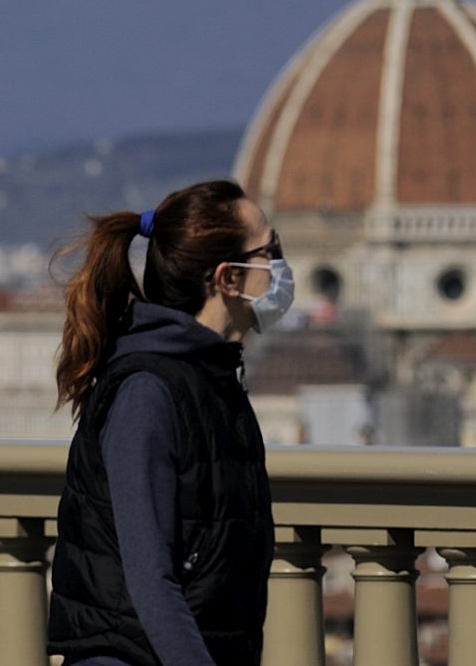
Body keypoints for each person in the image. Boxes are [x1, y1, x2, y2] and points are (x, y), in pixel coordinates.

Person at [47, 179, 294, 666]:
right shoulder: (149, 392)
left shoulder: (212, 381)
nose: (283, 267)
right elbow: (150, 581)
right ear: (228, 278)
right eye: (271, 249)